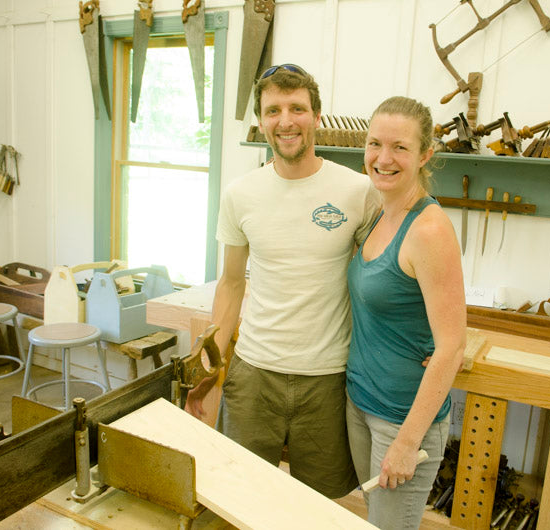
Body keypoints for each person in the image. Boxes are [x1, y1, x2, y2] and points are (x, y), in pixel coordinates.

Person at [185, 63, 381, 499]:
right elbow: (231, 283)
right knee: (240, 494)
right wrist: (211, 364)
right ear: (260, 120)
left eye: (297, 108)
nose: (286, 121)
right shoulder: (241, 194)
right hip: (254, 374)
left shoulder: (358, 191)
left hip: (328, 378)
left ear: (316, 116)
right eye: (273, 110)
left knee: (319, 504)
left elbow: (379, 283)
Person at [345, 96, 467, 529]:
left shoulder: (429, 230)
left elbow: (452, 346)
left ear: (425, 155)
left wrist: (407, 440)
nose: (383, 158)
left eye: (399, 147)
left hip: (401, 421)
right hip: (360, 403)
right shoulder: (380, 213)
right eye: (375, 143)